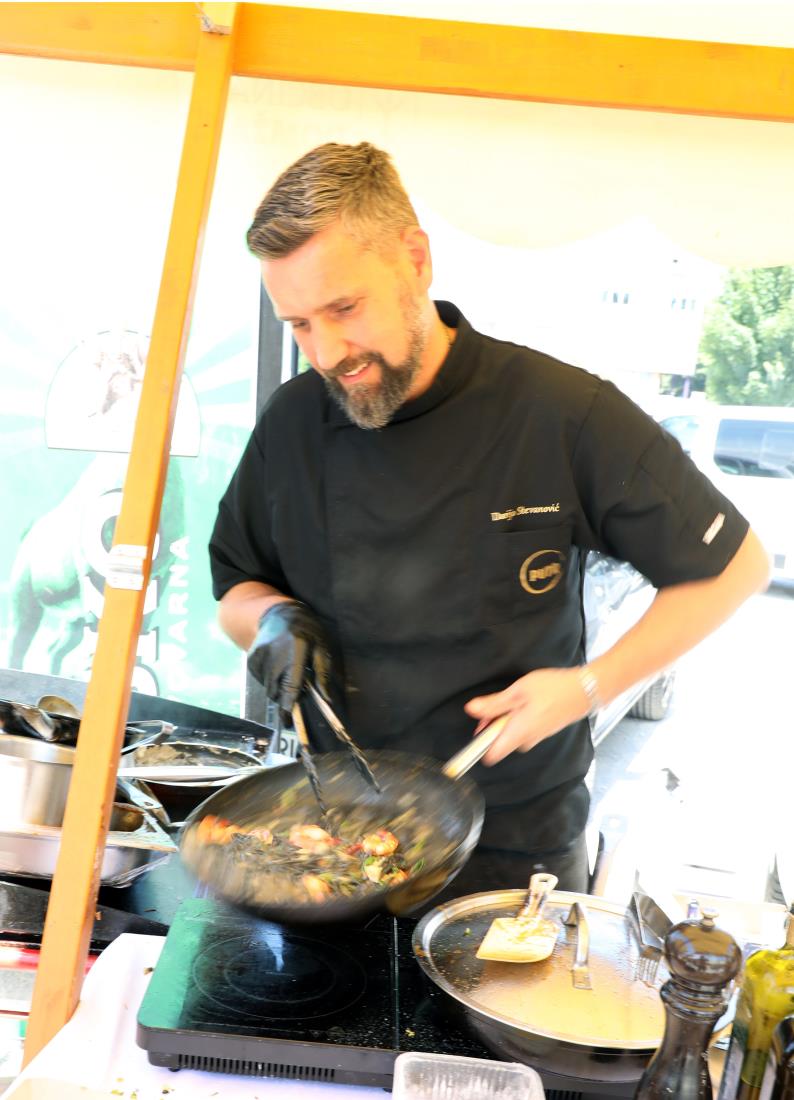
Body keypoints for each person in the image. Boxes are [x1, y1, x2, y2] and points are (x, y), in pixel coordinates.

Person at [209, 141, 770, 899]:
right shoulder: (292, 424)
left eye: (345, 309)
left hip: (511, 846)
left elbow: (735, 568)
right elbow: (237, 589)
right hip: (334, 842)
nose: (328, 352)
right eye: (300, 324)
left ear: (415, 260)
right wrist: (272, 621)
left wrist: (589, 686)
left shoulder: (560, 413)